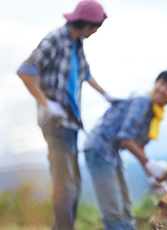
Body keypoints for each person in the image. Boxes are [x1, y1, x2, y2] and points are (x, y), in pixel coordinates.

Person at [16, 1, 120, 229]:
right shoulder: (56, 39)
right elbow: (25, 70)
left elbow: (85, 72)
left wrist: (106, 94)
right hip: (55, 121)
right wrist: (46, 103)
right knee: (65, 187)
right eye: (94, 27)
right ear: (84, 23)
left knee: (74, 187)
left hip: (71, 123)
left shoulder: (77, 44)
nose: (94, 32)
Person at [83, 69, 167, 230]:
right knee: (113, 212)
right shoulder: (142, 101)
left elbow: (140, 147)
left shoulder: (154, 113)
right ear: (156, 82)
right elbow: (125, 139)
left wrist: (153, 177)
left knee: (125, 210)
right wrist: (150, 164)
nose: (163, 89)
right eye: (162, 83)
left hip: (112, 154)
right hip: (99, 149)